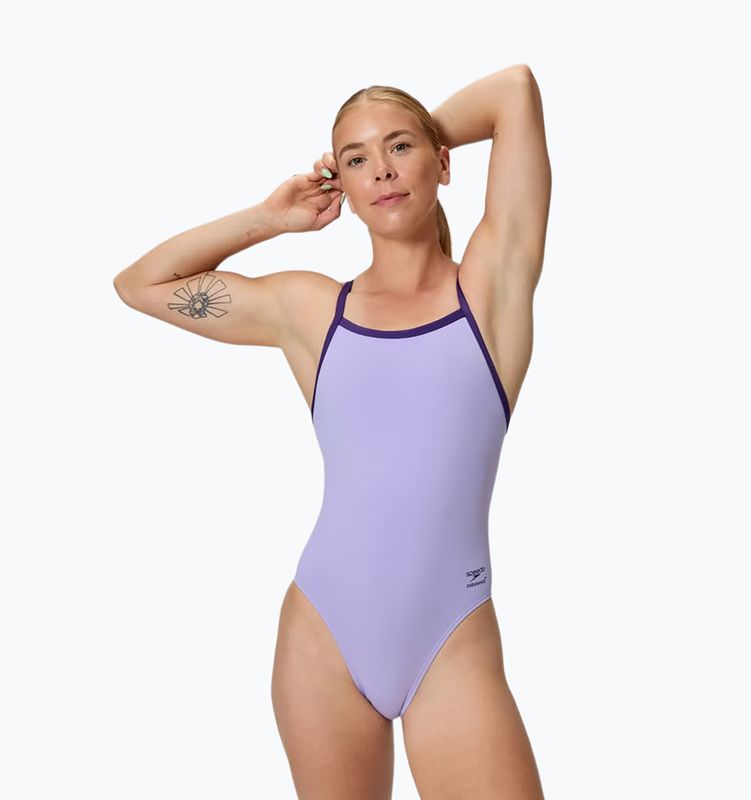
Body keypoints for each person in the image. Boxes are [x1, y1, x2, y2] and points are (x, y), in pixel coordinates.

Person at [114, 63, 551, 799]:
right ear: (339, 183)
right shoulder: (312, 312)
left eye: (399, 148)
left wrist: (420, 135)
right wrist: (270, 219)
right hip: (323, 635)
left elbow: (515, 91)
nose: (381, 170)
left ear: (444, 163)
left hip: (453, 641)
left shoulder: (491, 287)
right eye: (356, 159)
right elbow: (140, 285)